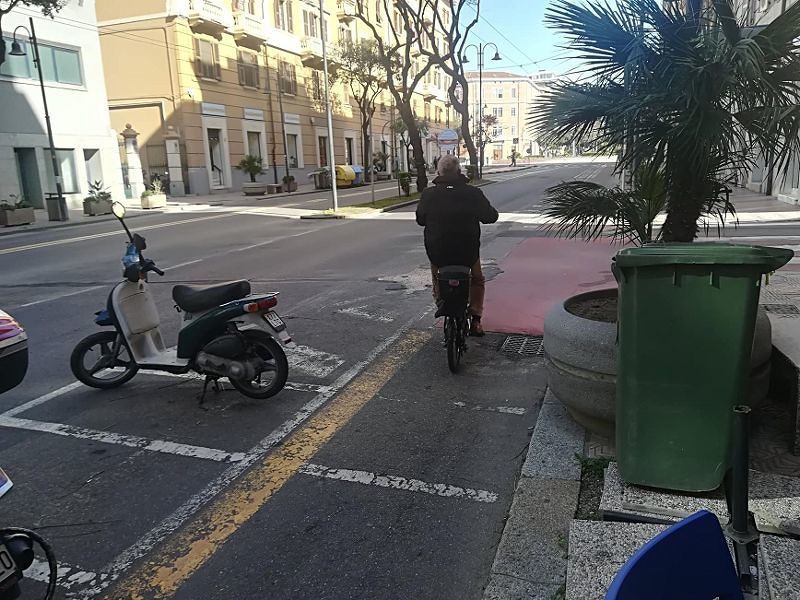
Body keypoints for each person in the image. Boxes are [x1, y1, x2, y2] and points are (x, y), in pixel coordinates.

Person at [415, 154, 499, 337]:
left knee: (437, 276)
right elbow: (490, 217)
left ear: (438, 171)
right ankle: (476, 320)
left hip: (438, 251)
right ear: (459, 171)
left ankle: (440, 301)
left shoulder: (428, 194)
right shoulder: (473, 193)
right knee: (477, 279)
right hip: (467, 251)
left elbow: (420, 220)